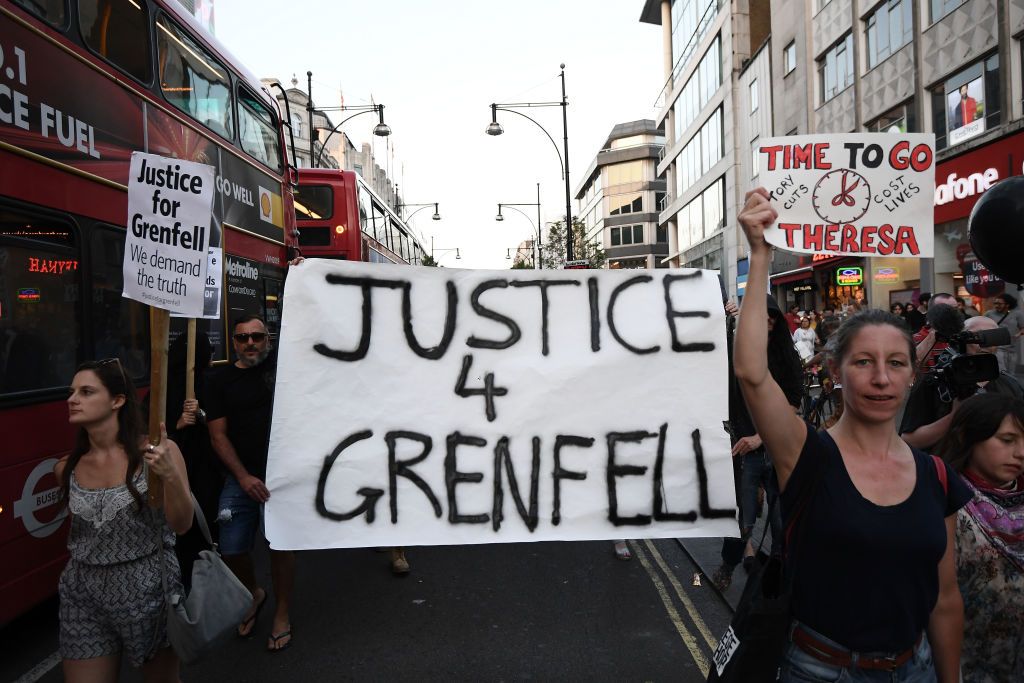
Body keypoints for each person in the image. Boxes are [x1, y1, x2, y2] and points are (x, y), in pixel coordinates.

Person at [737, 187, 971, 683]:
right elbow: (753, 372)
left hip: (916, 670)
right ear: (836, 372)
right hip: (818, 670)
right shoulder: (805, 454)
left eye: (896, 364)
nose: (881, 379)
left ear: (913, 373)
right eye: (863, 362)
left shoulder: (937, 477)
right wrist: (761, 256)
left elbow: (945, 601)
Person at [56, 358, 193, 682]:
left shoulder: (159, 452)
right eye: (72, 391)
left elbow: (182, 523)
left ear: (117, 400)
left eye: (86, 391)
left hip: (148, 586)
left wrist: (170, 476)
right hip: (83, 591)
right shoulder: (67, 468)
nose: (72, 399)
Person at [206, 315, 295, 652]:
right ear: (234, 343)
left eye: (257, 337)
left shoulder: (284, 368)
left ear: (268, 340)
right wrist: (243, 477)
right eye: (243, 338)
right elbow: (218, 436)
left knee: (281, 547)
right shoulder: (219, 380)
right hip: (240, 478)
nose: (250, 344)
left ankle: (282, 613)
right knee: (231, 548)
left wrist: (301, 269)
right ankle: (255, 593)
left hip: (281, 478)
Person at [713, 295, 803, 591]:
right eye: (760, 316)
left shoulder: (784, 357)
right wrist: (722, 315)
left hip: (777, 451)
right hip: (746, 454)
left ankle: (779, 578)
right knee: (744, 520)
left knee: (781, 523)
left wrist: (759, 437)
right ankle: (728, 566)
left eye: (772, 318)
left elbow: (793, 404)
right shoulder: (736, 353)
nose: (768, 322)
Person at [935, 393, 1024, 683]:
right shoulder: (945, 505)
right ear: (969, 438)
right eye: (1007, 440)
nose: (1020, 451)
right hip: (966, 667)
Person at [901, 315, 1024, 452]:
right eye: (975, 336)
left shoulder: (1011, 385)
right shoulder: (934, 382)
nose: (984, 344)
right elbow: (909, 440)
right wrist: (954, 417)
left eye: (991, 337)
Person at [985, 293, 1024, 375]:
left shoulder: (1017, 314)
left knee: (1011, 374)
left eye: (999, 304)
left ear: (1007, 304)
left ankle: (1009, 388)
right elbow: (982, 326)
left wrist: (1018, 334)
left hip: (1012, 349)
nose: (996, 306)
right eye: (995, 303)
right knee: (1001, 373)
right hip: (997, 349)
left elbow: (1023, 327)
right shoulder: (989, 314)